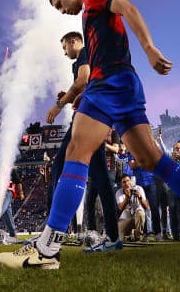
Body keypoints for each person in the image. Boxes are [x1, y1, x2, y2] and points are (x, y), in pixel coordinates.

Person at [0, 0, 180, 270]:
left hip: (110, 84)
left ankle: (47, 249)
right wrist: (82, 94)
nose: (62, 11)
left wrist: (148, 47)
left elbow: (127, 7)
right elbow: (105, 54)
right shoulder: (88, 17)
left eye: (60, 4)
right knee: (150, 159)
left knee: (76, 152)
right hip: (122, 85)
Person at [45, 31, 121, 252]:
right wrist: (71, 96)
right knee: (101, 179)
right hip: (95, 114)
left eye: (64, 48)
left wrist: (58, 105)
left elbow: (83, 80)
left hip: (88, 117)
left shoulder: (84, 53)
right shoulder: (85, 58)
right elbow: (87, 86)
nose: (64, 52)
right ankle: (114, 238)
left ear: (72, 42)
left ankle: (50, 234)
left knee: (59, 165)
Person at [115, 174, 149, 241]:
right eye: (124, 182)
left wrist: (140, 197)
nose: (126, 183)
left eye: (128, 181)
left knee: (140, 212)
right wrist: (127, 198)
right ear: (121, 184)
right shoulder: (119, 192)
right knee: (120, 237)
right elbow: (120, 208)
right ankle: (130, 235)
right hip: (126, 219)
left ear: (130, 181)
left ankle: (137, 236)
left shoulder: (139, 188)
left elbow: (146, 206)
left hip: (137, 219)